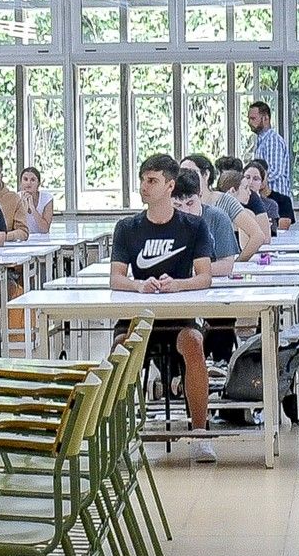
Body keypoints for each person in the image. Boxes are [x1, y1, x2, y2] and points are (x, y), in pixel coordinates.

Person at [111, 152, 214, 462]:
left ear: (170, 186)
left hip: (178, 318)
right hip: (139, 318)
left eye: (152, 181)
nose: (145, 187)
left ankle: (200, 433)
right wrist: (138, 285)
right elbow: (116, 278)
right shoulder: (127, 228)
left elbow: (205, 276)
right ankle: (118, 435)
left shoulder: (194, 227)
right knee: (120, 347)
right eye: (143, 180)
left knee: (194, 343)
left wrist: (177, 284)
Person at [186, 155, 263, 260]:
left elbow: (257, 235)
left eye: (191, 171)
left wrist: (238, 262)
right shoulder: (176, 202)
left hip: (221, 269)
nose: (185, 175)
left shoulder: (225, 201)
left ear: (206, 175)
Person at [173, 166, 236, 275]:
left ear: (200, 195)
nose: (185, 211)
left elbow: (226, 265)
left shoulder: (218, 218)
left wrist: (187, 271)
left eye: (190, 203)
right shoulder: (161, 220)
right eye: (177, 205)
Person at [246, 99, 291, 200]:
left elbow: (275, 171)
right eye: (249, 119)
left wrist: (253, 180)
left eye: (253, 118)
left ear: (266, 118)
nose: (249, 122)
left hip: (277, 199)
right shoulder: (262, 140)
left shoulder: (272, 140)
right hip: (267, 198)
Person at [251, 157, 294, 230]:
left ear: (268, 175)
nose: (259, 179)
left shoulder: (283, 200)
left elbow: (284, 224)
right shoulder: (245, 200)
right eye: (254, 177)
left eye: (262, 175)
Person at [238, 161, 280, 235]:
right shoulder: (235, 203)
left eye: (256, 179)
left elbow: (272, 232)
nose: (250, 182)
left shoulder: (271, 205)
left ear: (261, 183)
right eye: (247, 177)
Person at [19, 166, 55, 236]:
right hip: (23, 239)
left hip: (42, 239)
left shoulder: (47, 198)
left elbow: (45, 229)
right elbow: (15, 227)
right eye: (25, 179)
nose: (28, 183)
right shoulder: (15, 197)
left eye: (32, 180)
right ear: (21, 182)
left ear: (38, 183)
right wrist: (24, 208)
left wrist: (32, 208)